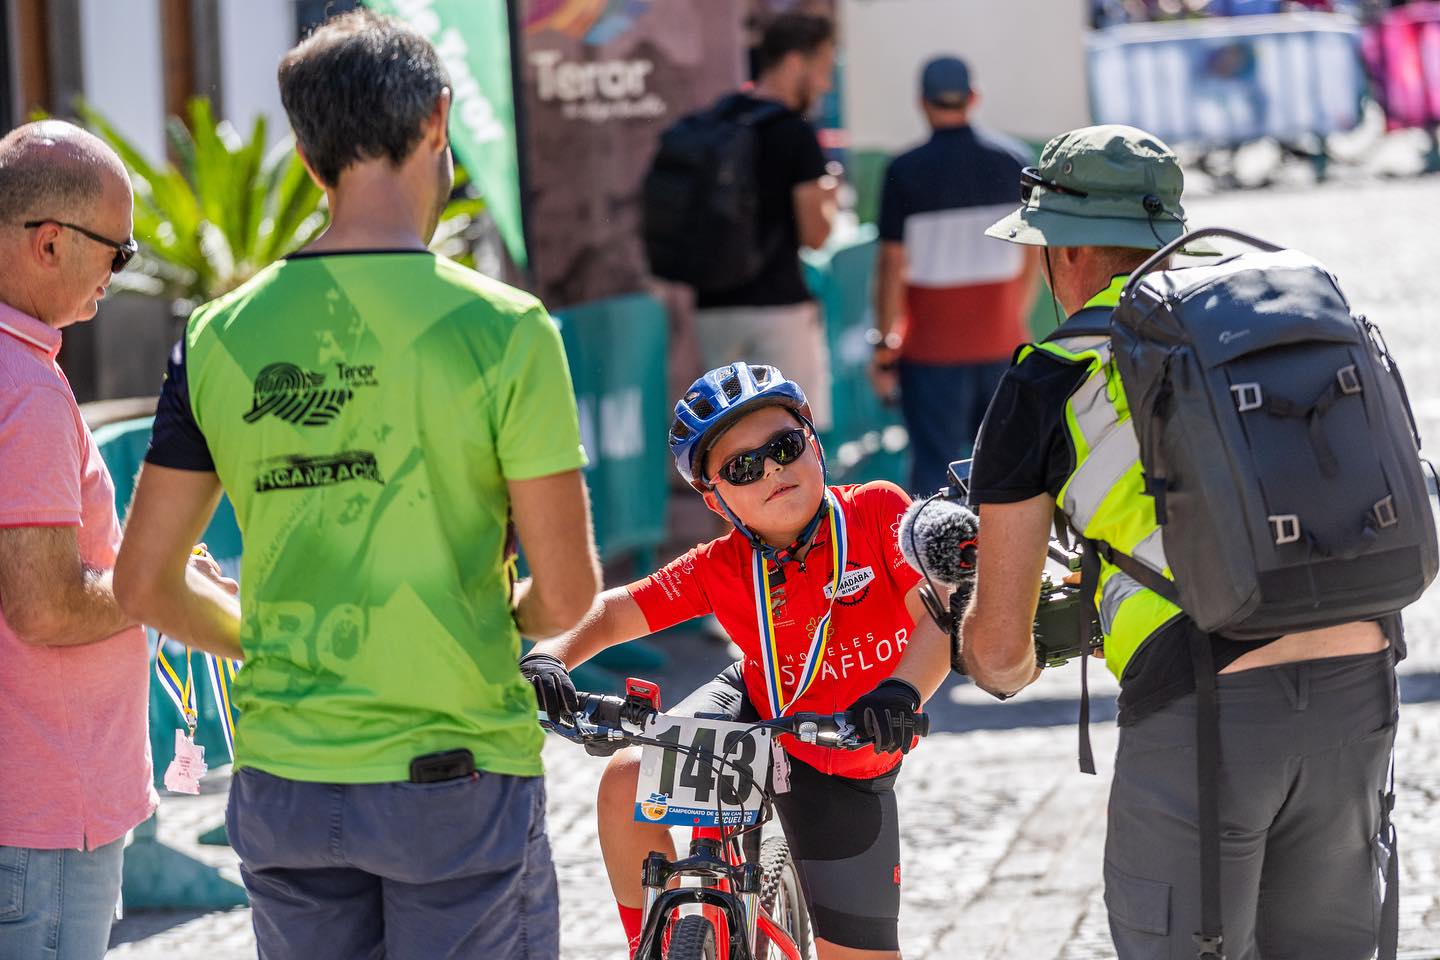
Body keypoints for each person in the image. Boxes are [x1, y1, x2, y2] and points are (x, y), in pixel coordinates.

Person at [112, 12, 600, 959]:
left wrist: (262, 640)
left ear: (305, 154)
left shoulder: (217, 335)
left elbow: (144, 586)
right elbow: (570, 593)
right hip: (453, 777)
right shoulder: (508, 329)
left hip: (286, 780)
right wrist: (500, 618)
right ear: (438, 120)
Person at [961, 124, 1398, 959]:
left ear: (1068, 252)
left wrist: (976, 632)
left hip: (1207, 707)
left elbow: (1003, 652)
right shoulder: (1277, 326)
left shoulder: (1049, 377)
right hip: (1360, 681)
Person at [522, 362, 952, 960]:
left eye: (784, 446)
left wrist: (904, 691)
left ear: (814, 441)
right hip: (757, 707)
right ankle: (658, 943)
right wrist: (550, 657)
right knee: (626, 776)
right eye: (744, 468)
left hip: (844, 759)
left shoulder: (878, 512)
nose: (773, 470)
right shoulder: (720, 565)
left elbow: (938, 617)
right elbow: (617, 611)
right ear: (716, 499)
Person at [0, 121, 228, 960]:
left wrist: (141, 568)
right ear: (51, 243)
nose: (121, 271)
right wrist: (160, 584)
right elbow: (46, 606)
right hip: (44, 812)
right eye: (118, 251)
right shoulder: (22, 386)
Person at [870, 56, 1040, 495]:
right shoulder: (1014, 161)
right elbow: (1031, 258)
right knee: (1004, 467)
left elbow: (891, 266)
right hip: (1002, 343)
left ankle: (936, 563)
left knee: (935, 474)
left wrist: (886, 346)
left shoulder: (903, 171)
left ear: (921, 103)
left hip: (929, 352)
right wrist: (1010, 317)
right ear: (974, 97)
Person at [691, 12, 839, 430]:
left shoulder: (718, 119)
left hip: (713, 309)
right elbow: (816, 236)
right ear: (795, 62)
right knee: (795, 437)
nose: (827, 83)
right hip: (779, 311)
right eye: (824, 68)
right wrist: (828, 197)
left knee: (722, 440)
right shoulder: (795, 132)